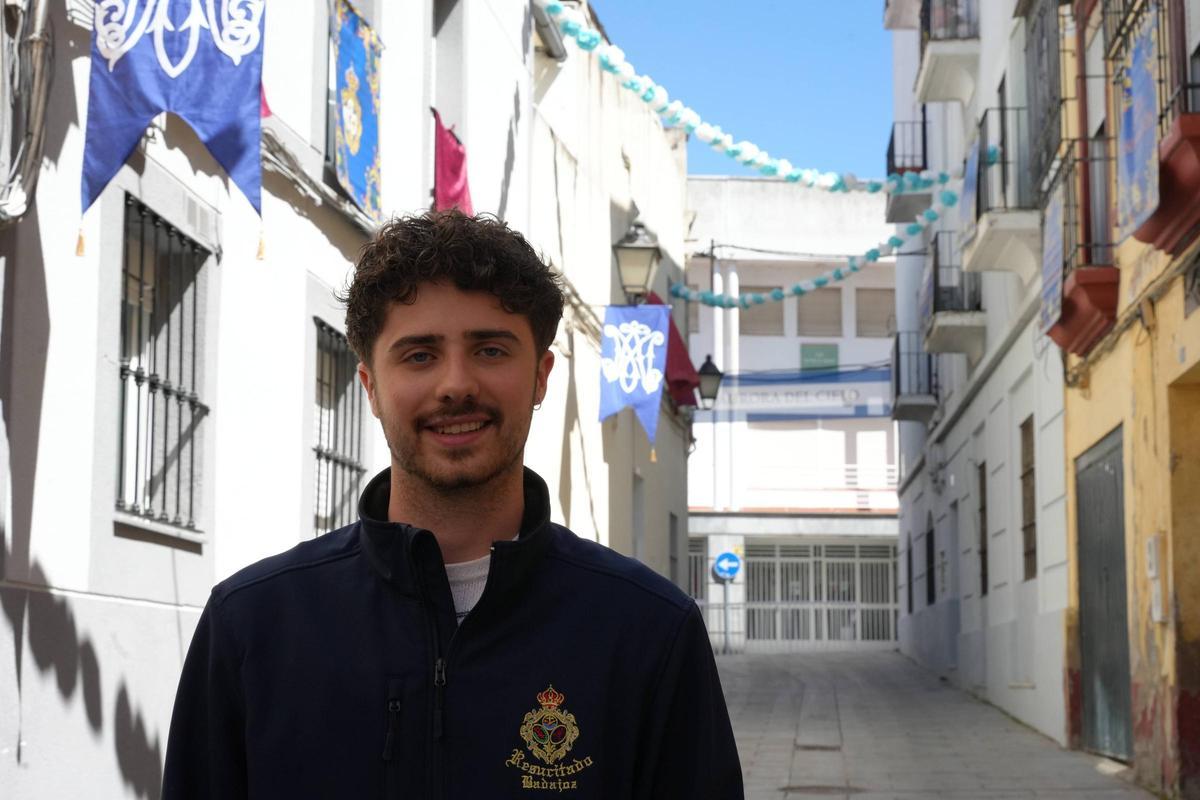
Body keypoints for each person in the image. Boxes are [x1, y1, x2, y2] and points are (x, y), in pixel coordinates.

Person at [161, 210, 743, 798]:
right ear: (371, 388)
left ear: (541, 376)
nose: (456, 384)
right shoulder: (251, 627)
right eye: (419, 355)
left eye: (491, 350)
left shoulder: (650, 633)